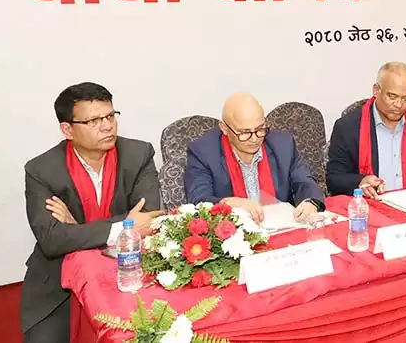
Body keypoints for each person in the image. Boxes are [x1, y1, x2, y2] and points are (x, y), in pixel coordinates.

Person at [22, 83, 162, 343]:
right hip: (59, 281)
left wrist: (75, 228)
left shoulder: (138, 154)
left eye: (110, 116)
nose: (107, 126)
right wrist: (123, 226)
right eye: (93, 121)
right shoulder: (42, 170)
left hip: (130, 267)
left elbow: (150, 219)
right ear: (67, 130)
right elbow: (52, 240)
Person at [183, 93, 324, 223]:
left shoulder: (283, 145)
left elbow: (304, 181)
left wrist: (311, 202)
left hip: (281, 227)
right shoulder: (203, 153)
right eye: (245, 132)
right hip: (234, 234)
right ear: (224, 128)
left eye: (260, 129)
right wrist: (230, 203)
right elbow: (199, 201)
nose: (255, 139)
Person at [327, 62, 406, 198]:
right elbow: (334, 177)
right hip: (371, 204)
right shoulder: (347, 127)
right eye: (392, 96)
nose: (399, 105)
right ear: (376, 90)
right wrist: (360, 182)